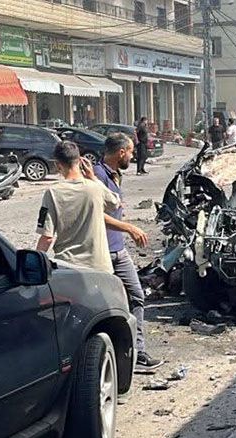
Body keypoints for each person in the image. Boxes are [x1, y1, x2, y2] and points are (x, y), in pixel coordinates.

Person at [93, 132, 164, 371]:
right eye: (131, 151)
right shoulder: (97, 175)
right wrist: (129, 227)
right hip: (101, 253)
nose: (133, 156)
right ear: (121, 152)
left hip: (119, 251)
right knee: (103, 307)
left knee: (136, 296)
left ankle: (138, 352)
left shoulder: (114, 174)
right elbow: (96, 215)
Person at [36, 141, 119, 273]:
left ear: (58, 165)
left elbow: (47, 237)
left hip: (69, 267)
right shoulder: (95, 188)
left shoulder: (52, 193)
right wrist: (93, 178)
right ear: (80, 161)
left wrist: (33, 264)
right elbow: (115, 203)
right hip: (100, 267)